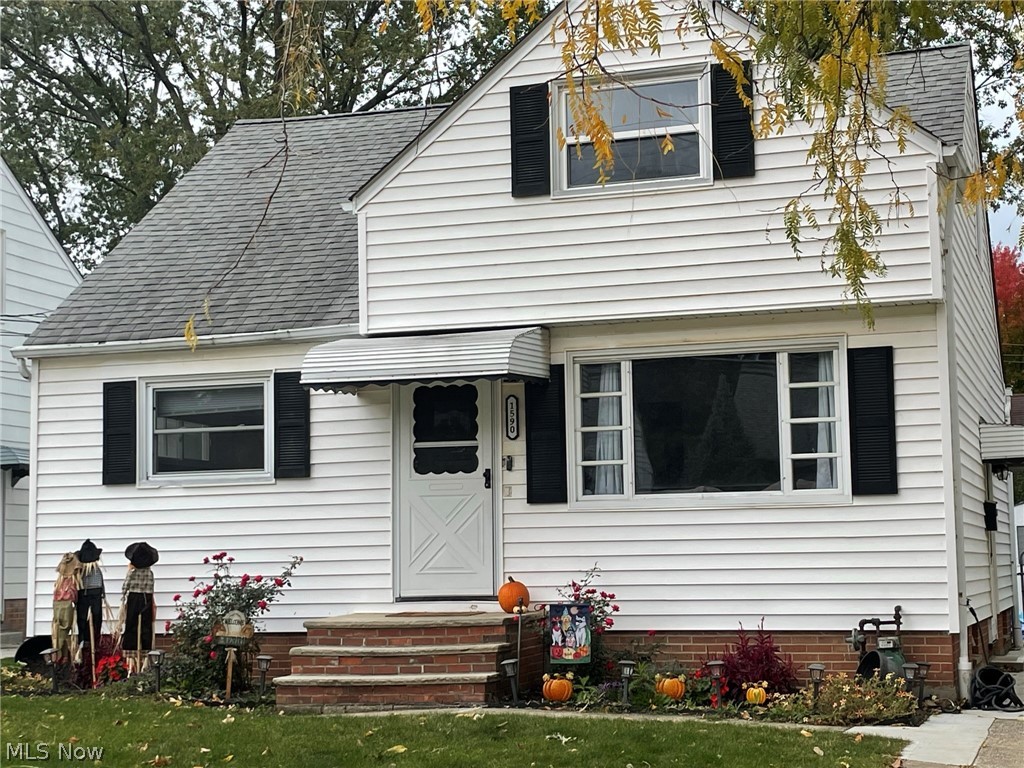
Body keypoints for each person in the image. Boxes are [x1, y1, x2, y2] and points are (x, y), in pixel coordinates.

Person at [121, 542, 158, 665]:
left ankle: (132, 652)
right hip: (146, 598)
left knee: (132, 624)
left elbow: (125, 587)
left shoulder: (132, 572)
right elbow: (152, 587)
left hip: (134, 598)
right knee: (145, 625)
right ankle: (145, 651)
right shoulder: (150, 572)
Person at [75, 539, 104, 650]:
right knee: (92, 618)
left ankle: (87, 642)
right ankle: (89, 642)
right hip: (91, 594)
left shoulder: (80, 570)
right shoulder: (94, 570)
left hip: (86, 594)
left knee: (84, 619)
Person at [52, 552, 80, 661]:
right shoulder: (71, 582)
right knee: (64, 628)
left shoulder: (59, 581)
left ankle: (61, 656)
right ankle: (60, 655)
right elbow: (74, 595)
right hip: (66, 604)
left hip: (57, 604)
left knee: (58, 629)